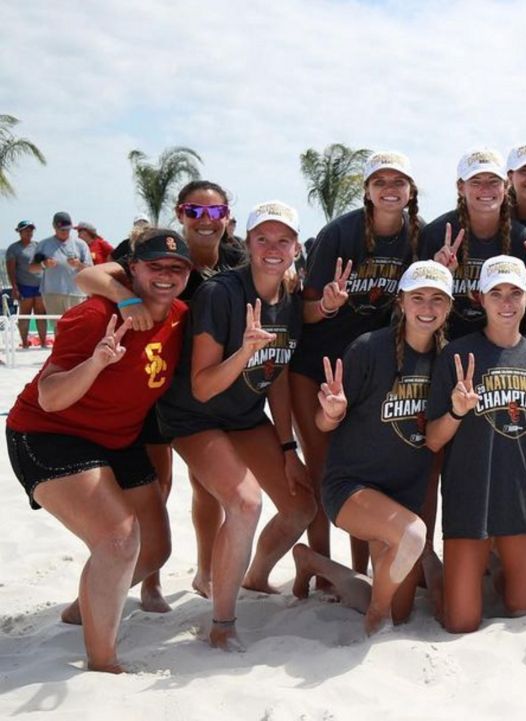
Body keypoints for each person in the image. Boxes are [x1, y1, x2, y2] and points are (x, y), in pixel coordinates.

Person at [5, 228, 191, 672]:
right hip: (50, 433)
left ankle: (82, 609)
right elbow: (50, 397)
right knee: (117, 540)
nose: (166, 275)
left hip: (119, 438)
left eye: (176, 268)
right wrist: (97, 362)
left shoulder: (181, 314)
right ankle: (104, 663)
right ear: (132, 269)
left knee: (154, 550)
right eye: (154, 266)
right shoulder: (93, 316)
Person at [78, 180, 246, 610]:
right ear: (179, 212)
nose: (205, 220)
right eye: (195, 211)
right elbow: (88, 275)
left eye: (215, 212)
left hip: (203, 390)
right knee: (159, 484)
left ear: (227, 216)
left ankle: (205, 572)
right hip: (152, 384)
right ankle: (150, 580)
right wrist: (125, 298)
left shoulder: (236, 256)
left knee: (207, 487)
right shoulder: (158, 250)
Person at [157, 201, 314, 651]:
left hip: (244, 415)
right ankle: (222, 623)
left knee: (301, 506)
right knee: (245, 503)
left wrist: (288, 447)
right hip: (194, 416)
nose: (272, 248)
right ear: (247, 244)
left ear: (296, 248)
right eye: (262, 238)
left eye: (283, 240)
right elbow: (202, 387)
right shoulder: (220, 293)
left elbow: (277, 374)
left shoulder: (290, 300)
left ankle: (254, 575)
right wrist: (244, 352)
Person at [291, 260, 454, 633]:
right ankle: (375, 622)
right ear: (401, 302)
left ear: (448, 307)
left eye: (437, 299)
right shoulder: (369, 349)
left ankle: (314, 562)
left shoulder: (448, 360)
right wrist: (331, 413)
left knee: (402, 609)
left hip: (403, 496)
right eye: (418, 297)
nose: (427, 308)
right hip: (352, 488)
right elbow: (323, 422)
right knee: (412, 538)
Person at [290, 151, 422, 575]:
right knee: (322, 464)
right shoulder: (339, 233)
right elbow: (304, 313)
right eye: (380, 181)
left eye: (398, 182)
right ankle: (320, 563)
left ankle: (361, 565)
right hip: (317, 364)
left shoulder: (416, 236)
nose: (389, 189)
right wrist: (327, 306)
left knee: (362, 465)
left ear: (411, 190)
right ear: (366, 190)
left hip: (369, 368)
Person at [426, 255, 526, 633]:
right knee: (461, 623)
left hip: (520, 505)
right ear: (480, 298)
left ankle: (497, 570)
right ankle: (439, 576)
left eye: (515, 293)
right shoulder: (456, 355)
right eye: (496, 293)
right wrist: (456, 411)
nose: (506, 302)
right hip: (470, 504)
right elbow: (433, 441)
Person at [421, 147, 526, 339]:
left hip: (499, 346)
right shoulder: (436, 233)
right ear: (460, 187)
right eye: (475, 181)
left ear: (506, 186)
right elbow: (417, 305)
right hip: (445, 343)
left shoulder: (521, 238)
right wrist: (440, 276)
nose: (485, 189)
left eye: (493, 181)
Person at [35, 210, 92, 326]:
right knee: (57, 326)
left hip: (76, 293)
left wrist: (78, 265)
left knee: (76, 326)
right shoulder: (43, 244)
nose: (65, 232)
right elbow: (32, 268)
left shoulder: (80, 245)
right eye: (62, 230)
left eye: (68, 229)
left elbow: (90, 269)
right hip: (52, 292)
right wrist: (44, 264)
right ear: (54, 227)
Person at [6, 219, 48, 347]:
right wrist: (14, 287)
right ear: (20, 232)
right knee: (25, 314)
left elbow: (45, 265)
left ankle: (43, 342)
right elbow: (11, 270)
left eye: (31, 230)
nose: (29, 232)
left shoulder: (38, 246)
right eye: (26, 230)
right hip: (24, 285)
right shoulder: (13, 249)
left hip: (40, 285)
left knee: (41, 314)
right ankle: (24, 342)